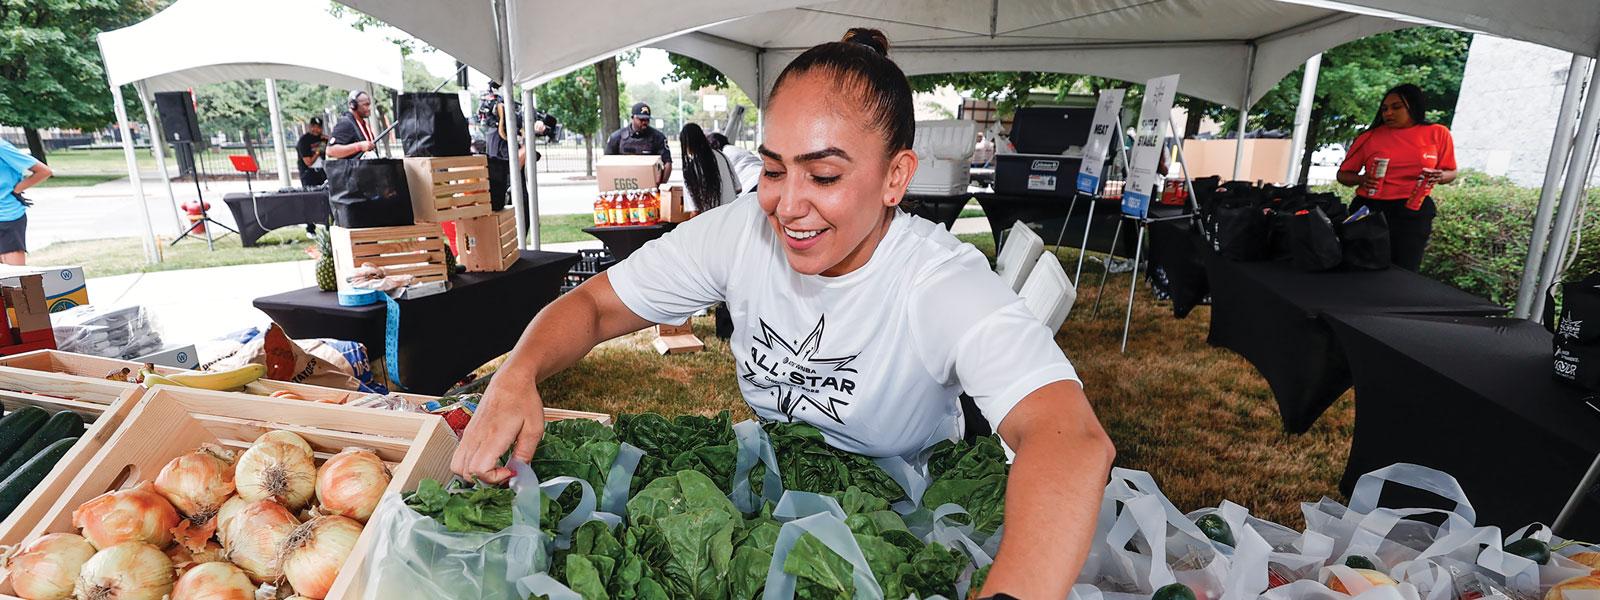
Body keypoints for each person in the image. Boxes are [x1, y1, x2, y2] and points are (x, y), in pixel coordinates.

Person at [453, 28, 1115, 599]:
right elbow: (595, 306)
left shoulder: (937, 280)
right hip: (772, 491)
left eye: (823, 176)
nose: (789, 205)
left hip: (898, 525)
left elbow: (1071, 441)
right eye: (773, 170)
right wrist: (520, 372)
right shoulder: (740, 233)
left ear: (895, 177)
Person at [1336, 83, 1457, 270]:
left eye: (1396, 107)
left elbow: (1451, 172)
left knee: (1404, 269)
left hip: (1414, 209)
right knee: (1360, 268)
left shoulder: (1438, 133)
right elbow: (1343, 175)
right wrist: (1362, 179)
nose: (1388, 113)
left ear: (1414, 106)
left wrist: (1440, 176)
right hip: (1371, 209)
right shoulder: (1369, 137)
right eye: (1384, 109)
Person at [0, 139, 50, 265]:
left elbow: (44, 171)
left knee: (13, 279)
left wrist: (17, 190)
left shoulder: (2, 147)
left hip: (7, 217)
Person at [604, 102, 672, 184]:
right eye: (641, 119)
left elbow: (667, 163)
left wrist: (662, 185)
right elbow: (606, 164)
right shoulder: (616, 137)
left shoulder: (658, 137)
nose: (644, 122)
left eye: (647, 120)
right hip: (623, 185)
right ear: (632, 118)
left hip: (650, 186)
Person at [679, 123, 739, 212]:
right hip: (732, 213)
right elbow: (738, 188)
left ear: (686, 144)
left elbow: (694, 211)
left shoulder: (691, 167)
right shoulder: (722, 156)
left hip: (710, 219)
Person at [327, 90, 378, 160]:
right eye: (365, 105)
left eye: (369, 104)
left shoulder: (363, 124)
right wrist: (359, 146)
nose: (369, 108)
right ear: (353, 105)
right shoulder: (345, 123)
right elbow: (330, 151)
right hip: (352, 170)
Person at [294, 117, 329, 187]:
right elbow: (308, 162)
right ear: (310, 127)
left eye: (318, 127)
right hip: (309, 173)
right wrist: (319, 151)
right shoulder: (304, 140)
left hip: (322, 172)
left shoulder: (323, 139)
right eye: (314, 127)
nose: (316, 129)